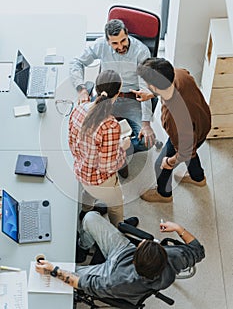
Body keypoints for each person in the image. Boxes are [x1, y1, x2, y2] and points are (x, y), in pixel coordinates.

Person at [35, 211, 205, 306]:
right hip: (123, 253)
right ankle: (83, 248)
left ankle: (79, 253)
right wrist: (178, 228)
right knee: (91, 218)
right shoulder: (174, 256)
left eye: (142, 245)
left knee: (62, 274)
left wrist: (54, 271)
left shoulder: (118, 282)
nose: (144, 240)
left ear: (134, 260)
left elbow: (82, 283)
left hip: (109, 272)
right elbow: (198, 249)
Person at [70, 19, 158, 178]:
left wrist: (146, 124)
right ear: (107, 41)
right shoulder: (100, 45)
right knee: (88, 132)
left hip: (132, 99)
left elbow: (144, 87)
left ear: (127, 34)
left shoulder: (141, 51)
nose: (120, 46)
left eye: (123, 40)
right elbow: (76, 62)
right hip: (107, 96)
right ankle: (115, 154)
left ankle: (121, 150)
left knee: (147, 141)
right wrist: (81, 89)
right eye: (115, 43)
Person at [130, 57, 211, 203]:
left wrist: (171, 161)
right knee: (192, 151)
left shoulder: (173, 118)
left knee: (160, 165)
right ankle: (198, 178)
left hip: (187, 134)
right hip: (203, 122)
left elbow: (186, 150)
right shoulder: (180, 74)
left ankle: (163, 194)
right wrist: (152, 94)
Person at [69, 69, 138, 227]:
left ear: (95, 88)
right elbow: (108, 166)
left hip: (81, 171)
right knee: (115, 204)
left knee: (88, 193)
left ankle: (85, 211)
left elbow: (72, 142)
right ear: (118, 93)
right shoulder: (111, 125)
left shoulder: (78, 109)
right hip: (101, 180)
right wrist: (122, 148)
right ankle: (118, 228)